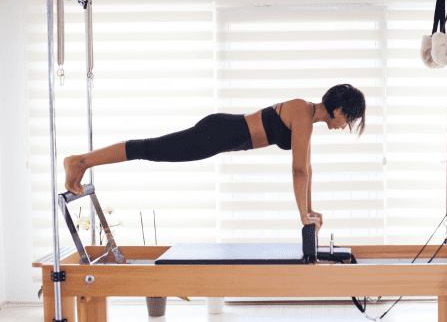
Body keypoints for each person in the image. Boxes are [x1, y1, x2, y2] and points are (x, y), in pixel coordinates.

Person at [63, 84, 366, 234]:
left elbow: (307, 169)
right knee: (149, 149)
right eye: (350, 119)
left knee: (150, 150)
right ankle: (80, 161)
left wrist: (310, 211)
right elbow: (298, 170)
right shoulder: (303, 111)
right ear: (339, 109)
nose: (346, 126)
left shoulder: (307, 119)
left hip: (219, 135)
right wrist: (303, 216)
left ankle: (82, 162)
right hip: (215, 134)